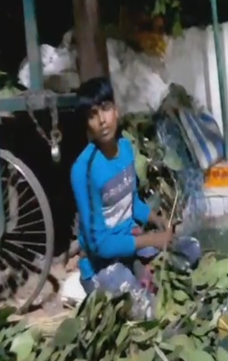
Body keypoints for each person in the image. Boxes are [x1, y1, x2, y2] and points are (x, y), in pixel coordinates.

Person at [70, 77, 171, 316]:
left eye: (106, 109)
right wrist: (152, 240)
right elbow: (101, 246)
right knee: (149, 312)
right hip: (101, 265)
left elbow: (130, 202)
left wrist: (156, 219)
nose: (102, 120)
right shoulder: (85, 170)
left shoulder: (126, 149)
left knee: (189, 253)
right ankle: (94, 289)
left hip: (129, 247)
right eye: (93, 114)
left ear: (117, 110)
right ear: (87, 124)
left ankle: (137, 268)